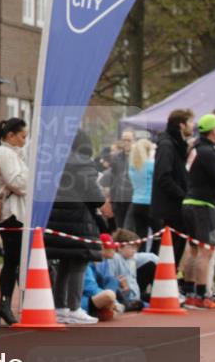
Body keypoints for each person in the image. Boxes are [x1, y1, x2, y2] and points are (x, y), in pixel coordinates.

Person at [45, 129, 105, 325]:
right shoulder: (84, 163)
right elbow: (96, 197)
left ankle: (60, 307)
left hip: (57, 219)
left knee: (63, 264)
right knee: (79, 263)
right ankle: (74, 307)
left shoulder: (57, 162)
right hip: (78, 219)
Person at [0, 117, 28, 326]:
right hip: (12, 214)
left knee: (13, 261)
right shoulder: (5, 154)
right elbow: (17, 183)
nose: (24, 141)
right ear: (10, 136)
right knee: (15, 260)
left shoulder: (10, 153)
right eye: (22, 137)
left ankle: (7, 304)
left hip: (14, 213)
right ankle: (11, 303)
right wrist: (30, 177)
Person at [179, 114, 215, 309]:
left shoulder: (194, 148)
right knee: (206, 251)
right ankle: (203, 295)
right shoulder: (208, 151)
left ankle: (189, 291)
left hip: (189, 201)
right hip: (203, 204)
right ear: (213, 130)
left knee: (193, 249)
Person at [151, 108, 194, 267]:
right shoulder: (167, 145)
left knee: (176, 250)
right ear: (181, 125)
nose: (192, 125)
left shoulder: (177, 145)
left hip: (176, 208)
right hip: (168, 210)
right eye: (190, 122)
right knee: (167, 251)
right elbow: (164, 177)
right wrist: (183, 196)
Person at [111, 228, 158, 309]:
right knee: (151, 306)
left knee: (157, 302)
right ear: (119, 247)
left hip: (135, 297)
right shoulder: (115, 258)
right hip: (125, 298)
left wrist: (167, 266)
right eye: (131, 247)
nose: (134, 251)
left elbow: (151, 257)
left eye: (136, 248)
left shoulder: (132, 258)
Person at [100, 130, 134, 229]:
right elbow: (112, 176)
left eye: (129, 140)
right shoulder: (116, 157)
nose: (126, 142)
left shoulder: (137, 157)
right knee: (119, 228)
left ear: (134, 141)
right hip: (118, 199)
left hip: (132, 199)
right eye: (124, 140)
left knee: (129, 229)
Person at [128, 137, 156, 247]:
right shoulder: (150, 166)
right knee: (157, 234)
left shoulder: (132, 167)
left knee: (141, 235)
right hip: (150, 203)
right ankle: (154, 257)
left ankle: (141, 258)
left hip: (136, 202)